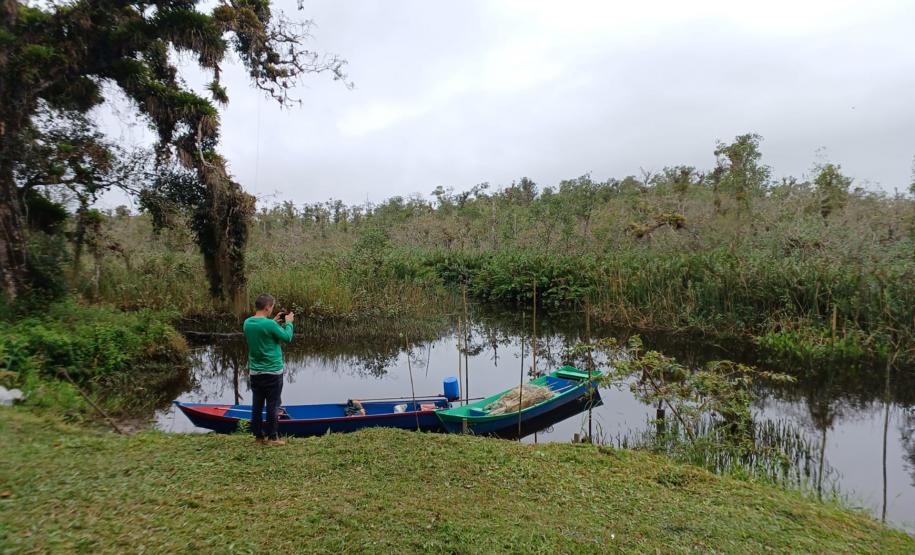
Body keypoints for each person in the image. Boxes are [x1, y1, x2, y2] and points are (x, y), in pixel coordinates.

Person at [243, 293, 294, 445]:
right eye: (271, 307)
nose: (272, 309)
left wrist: (272, 321)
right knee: (273, 404)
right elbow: (287, 337)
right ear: (267, 307)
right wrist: (289, 323)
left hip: (255, 373)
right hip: (272, 372)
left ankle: (258, 436)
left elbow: (261, 329)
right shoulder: (270, 325)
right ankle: (273, 437)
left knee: (257, 404)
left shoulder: (247, 323)